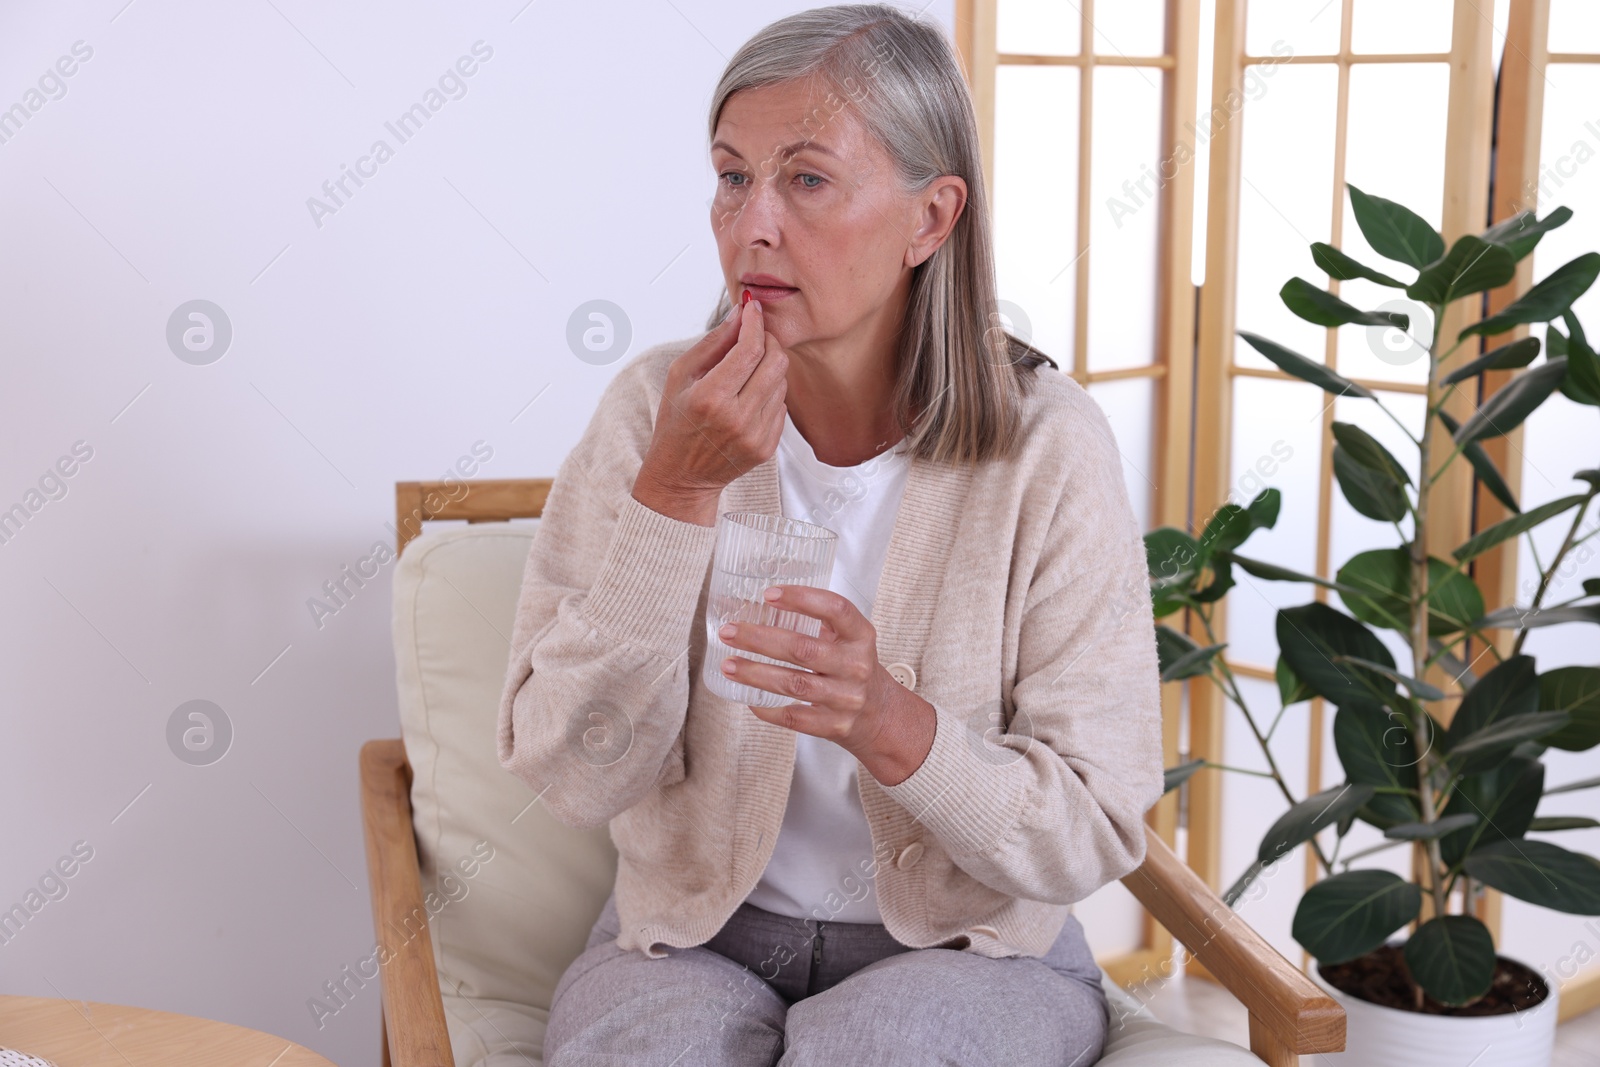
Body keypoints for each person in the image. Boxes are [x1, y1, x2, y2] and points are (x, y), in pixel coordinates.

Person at [495, 5, 1164, 1064]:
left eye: (806, 179)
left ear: (930, 218)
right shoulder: (650, 414)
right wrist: (676, 492)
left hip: (971, 951)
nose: (750, 224)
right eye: (731, 175)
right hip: (693, 939)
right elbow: (570, 771)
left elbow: (1096, 826)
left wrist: (895, 724)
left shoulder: (1048, 449)